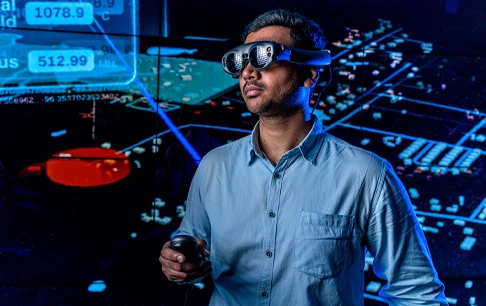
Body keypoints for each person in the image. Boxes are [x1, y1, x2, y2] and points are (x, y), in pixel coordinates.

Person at [159, 9, 448, 305]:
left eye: (264, 57)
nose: (248, 72)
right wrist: (180, 265)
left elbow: (418, 293)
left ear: (310, 73)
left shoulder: (366, 175)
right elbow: (193, 254)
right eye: (242, 62)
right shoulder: (213, 167)